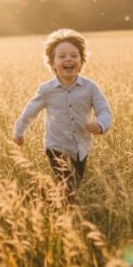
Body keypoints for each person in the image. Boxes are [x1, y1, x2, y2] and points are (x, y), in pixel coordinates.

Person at [12, 29, 112, 198]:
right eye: (62, 56)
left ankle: (52, 198)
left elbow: (104, 110)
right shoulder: (46, 90)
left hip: (81, 147)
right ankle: (65, 210)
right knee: (67, 184)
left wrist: (100, 124)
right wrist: (19, 132)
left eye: (74, 56)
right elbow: (30, 111)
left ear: (81, 62)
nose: (68, 59)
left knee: (76, 182)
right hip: (55, 146)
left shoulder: (90, 87)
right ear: (52, 63)